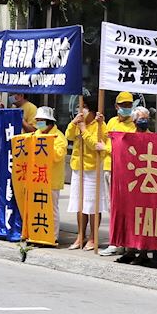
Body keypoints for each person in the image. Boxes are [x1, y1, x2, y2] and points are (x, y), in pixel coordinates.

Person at [64, 96, 108, 251]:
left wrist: (83, 130)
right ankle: (80, 235)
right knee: (79, 204)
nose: (81, 110)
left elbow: (96, 145)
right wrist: (74, 123)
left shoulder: (100, 124)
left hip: (93, 168)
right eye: (79, 107)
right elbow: (68, 136)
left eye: (85, 107)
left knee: (93, 205)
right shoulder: (78, 122)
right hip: (78, 166)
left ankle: (93, 237)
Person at [115, 105, 157, 266]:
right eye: (140, 118)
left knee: (144, 218)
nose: (143, 121)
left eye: (146, 118)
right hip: (130, 183)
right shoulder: (126, 137)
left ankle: (143, 252)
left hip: (147, 184)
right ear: (133, 120)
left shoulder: (154, 137)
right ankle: (130, 250)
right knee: (129, 217)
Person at [99, 92, 138, 257]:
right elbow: (104, 140)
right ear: (116, 106)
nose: (126, 108)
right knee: (112, 206)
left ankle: (119, 243)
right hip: (109, 168)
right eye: (123, 105)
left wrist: (106, 149)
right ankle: (117, 241)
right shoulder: (111, 122)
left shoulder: (134, 125)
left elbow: (126, 149)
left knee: (122, 207)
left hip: (125, 171)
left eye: (129, 105)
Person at [34, 107, 68, 232]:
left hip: (52, 180)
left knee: (51, 209)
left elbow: (58, 156)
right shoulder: (37, 133)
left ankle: (53, 236)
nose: (38, 123)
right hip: (37, 178)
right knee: (38, 208)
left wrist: (46, 144)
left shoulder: (59, 137)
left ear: (49, 121)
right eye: (37, 120)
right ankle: (38, 234)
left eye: (41, 120)